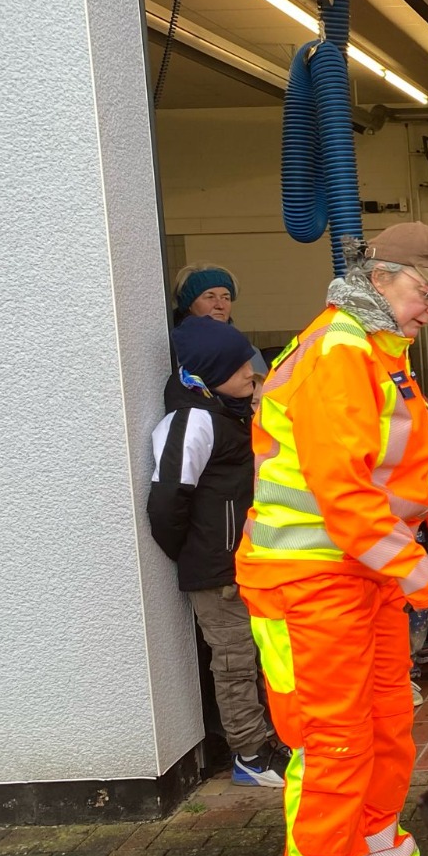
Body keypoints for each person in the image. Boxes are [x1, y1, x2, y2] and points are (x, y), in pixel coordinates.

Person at [236, 221, 428, 856]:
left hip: (357, 577)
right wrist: (420, 575)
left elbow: (390, 456)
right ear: (383, 278)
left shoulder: (379, 353)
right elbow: (342, 494)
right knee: (334, 742)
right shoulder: (340, 351)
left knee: (386, 726)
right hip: (306, 581)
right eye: (425, 293)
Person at [148, 316, 286, 787]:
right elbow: (167, 501)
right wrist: (199, 554)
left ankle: (270, 737)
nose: (253, 373)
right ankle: (250, 753)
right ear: (208, 374)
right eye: (239, 366)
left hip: (249, 565)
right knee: (234, 662)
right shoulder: (192, 421)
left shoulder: (233, 412)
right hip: (217, 572)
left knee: (264, 657)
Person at [172, 263, 267, 372]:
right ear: (188, 304)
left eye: (226, 298)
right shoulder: (173, 352)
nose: (220, 305)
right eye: (210, 297)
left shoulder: (247, 352)